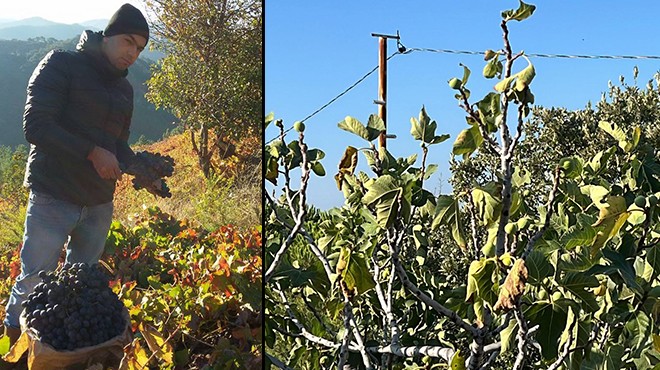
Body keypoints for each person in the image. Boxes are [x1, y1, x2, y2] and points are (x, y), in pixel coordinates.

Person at [1, 3, 149, 351]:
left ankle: (58, 351)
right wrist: (91, 152)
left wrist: (143, 171)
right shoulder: (61, 64)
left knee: (81, 282)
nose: (133, 52)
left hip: (99, 201)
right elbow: (36, 125)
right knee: (35, 278)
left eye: (140, 48)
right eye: (128, 41)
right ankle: (11, 345)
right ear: (108, 35)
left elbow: (119, 146)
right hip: (54, 192)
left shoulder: (124, 90)